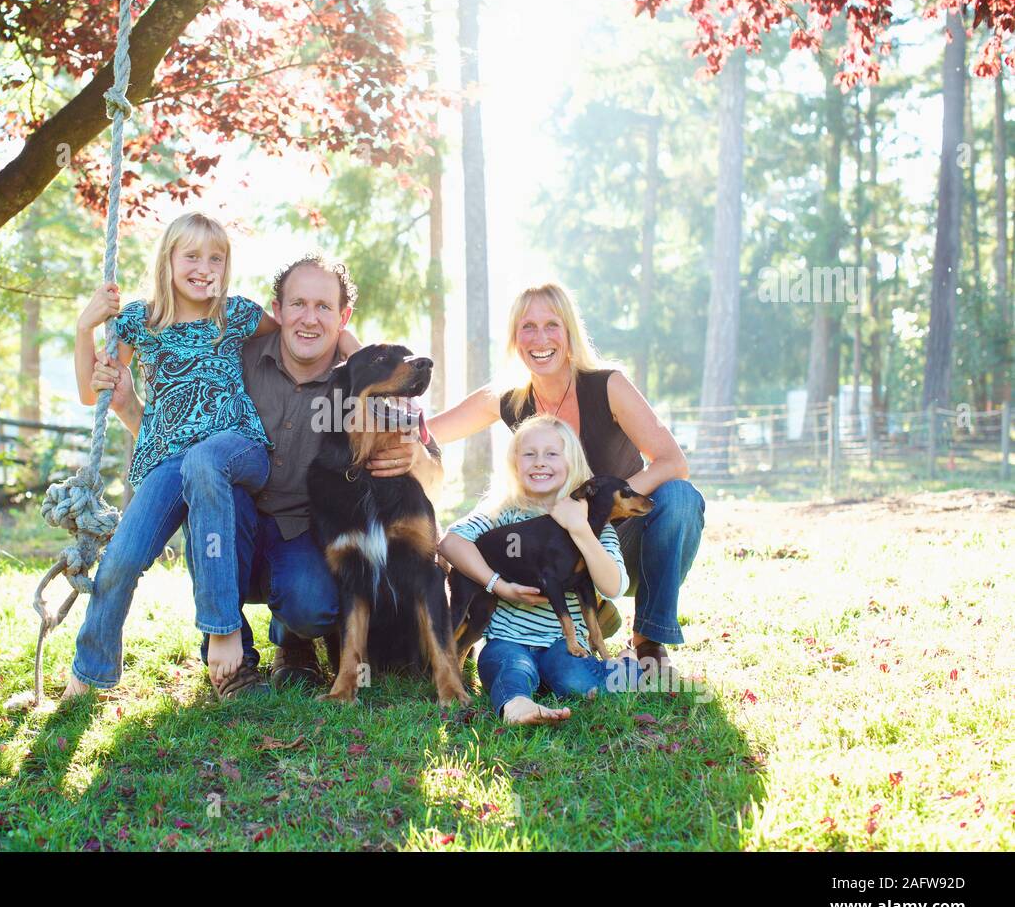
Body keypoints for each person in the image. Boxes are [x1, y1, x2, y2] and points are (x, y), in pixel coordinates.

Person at [94, 251, 442, 694]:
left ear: (343, 316)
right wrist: (126, 406)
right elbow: (179, 434)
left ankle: (294, 641)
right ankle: (230, 658)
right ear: (276, 311)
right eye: (297, 304)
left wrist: (417, 459)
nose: (309, 319)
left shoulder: (362, 380)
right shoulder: (233, 354)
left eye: (324, 307)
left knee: (314, 604)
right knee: (213, 502)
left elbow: (432, 475)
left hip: (300, 533)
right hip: (227, 523)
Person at [64, 214, 358, 701]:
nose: (205, 268)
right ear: (168, 260)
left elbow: (302, 325)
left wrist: (360, 352)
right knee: (120, 558)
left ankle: (223, 632)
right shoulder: (137, 321)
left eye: (216, 258)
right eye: (192, 256)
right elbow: (86, 392)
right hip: (167, 461)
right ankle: (89, 672)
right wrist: (84, 328)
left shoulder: (235, 314)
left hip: (237, 448)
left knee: (207, 459)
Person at [427, 283, 704, 675]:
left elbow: (673, 461)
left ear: (570, 331)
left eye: (551, 325)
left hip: (615, 542)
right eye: (528, 327)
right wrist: (383, 426)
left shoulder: (609, 385)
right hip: (556, 552)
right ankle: (522, 628)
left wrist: (596, 510)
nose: (540, 339)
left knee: (680, 498)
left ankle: (649, 641)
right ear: (514, 338)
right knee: (485, 538)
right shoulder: (508, 397)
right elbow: (431, 431)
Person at [438, 415, 641, 724]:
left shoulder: (600, 528)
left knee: (576, 681)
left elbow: (613, 587)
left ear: (571, 462)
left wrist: (581, 530)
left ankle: (626, 665)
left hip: (563, 645)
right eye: (529, 454)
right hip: (508, 640)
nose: (539, 462)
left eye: (551, 454)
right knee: (507, 670)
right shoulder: (503, 513)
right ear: (514, 463)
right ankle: (518, 706)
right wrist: (498, 585)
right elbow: (450, 543)